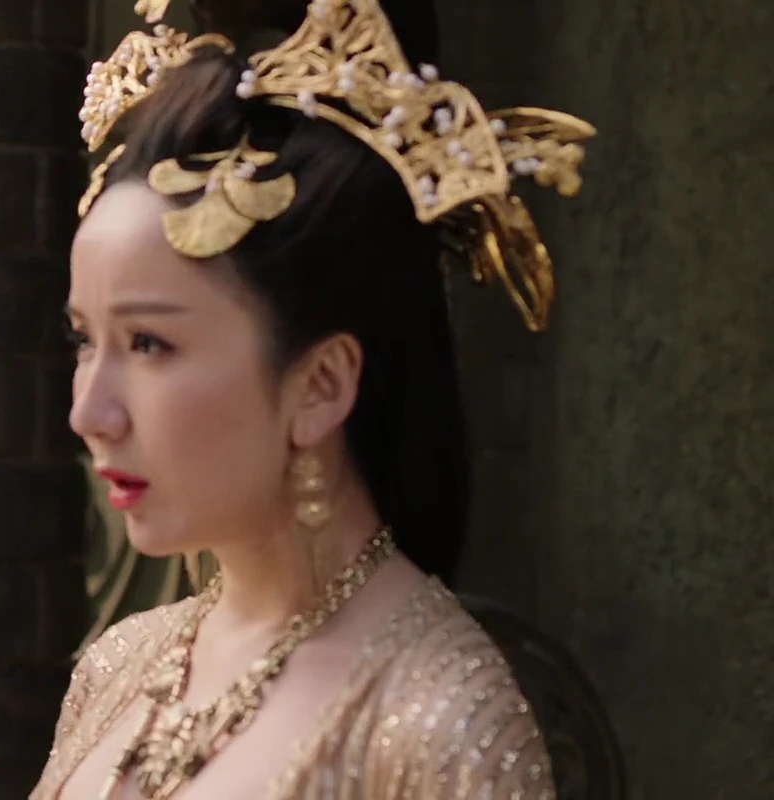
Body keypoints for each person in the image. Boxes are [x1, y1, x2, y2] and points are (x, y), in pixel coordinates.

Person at [35, 0, 593, 797]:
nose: (89, 413)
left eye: (149, 344)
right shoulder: (119, 664)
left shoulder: (444, 726)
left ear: (322, 385)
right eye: (84, 340)